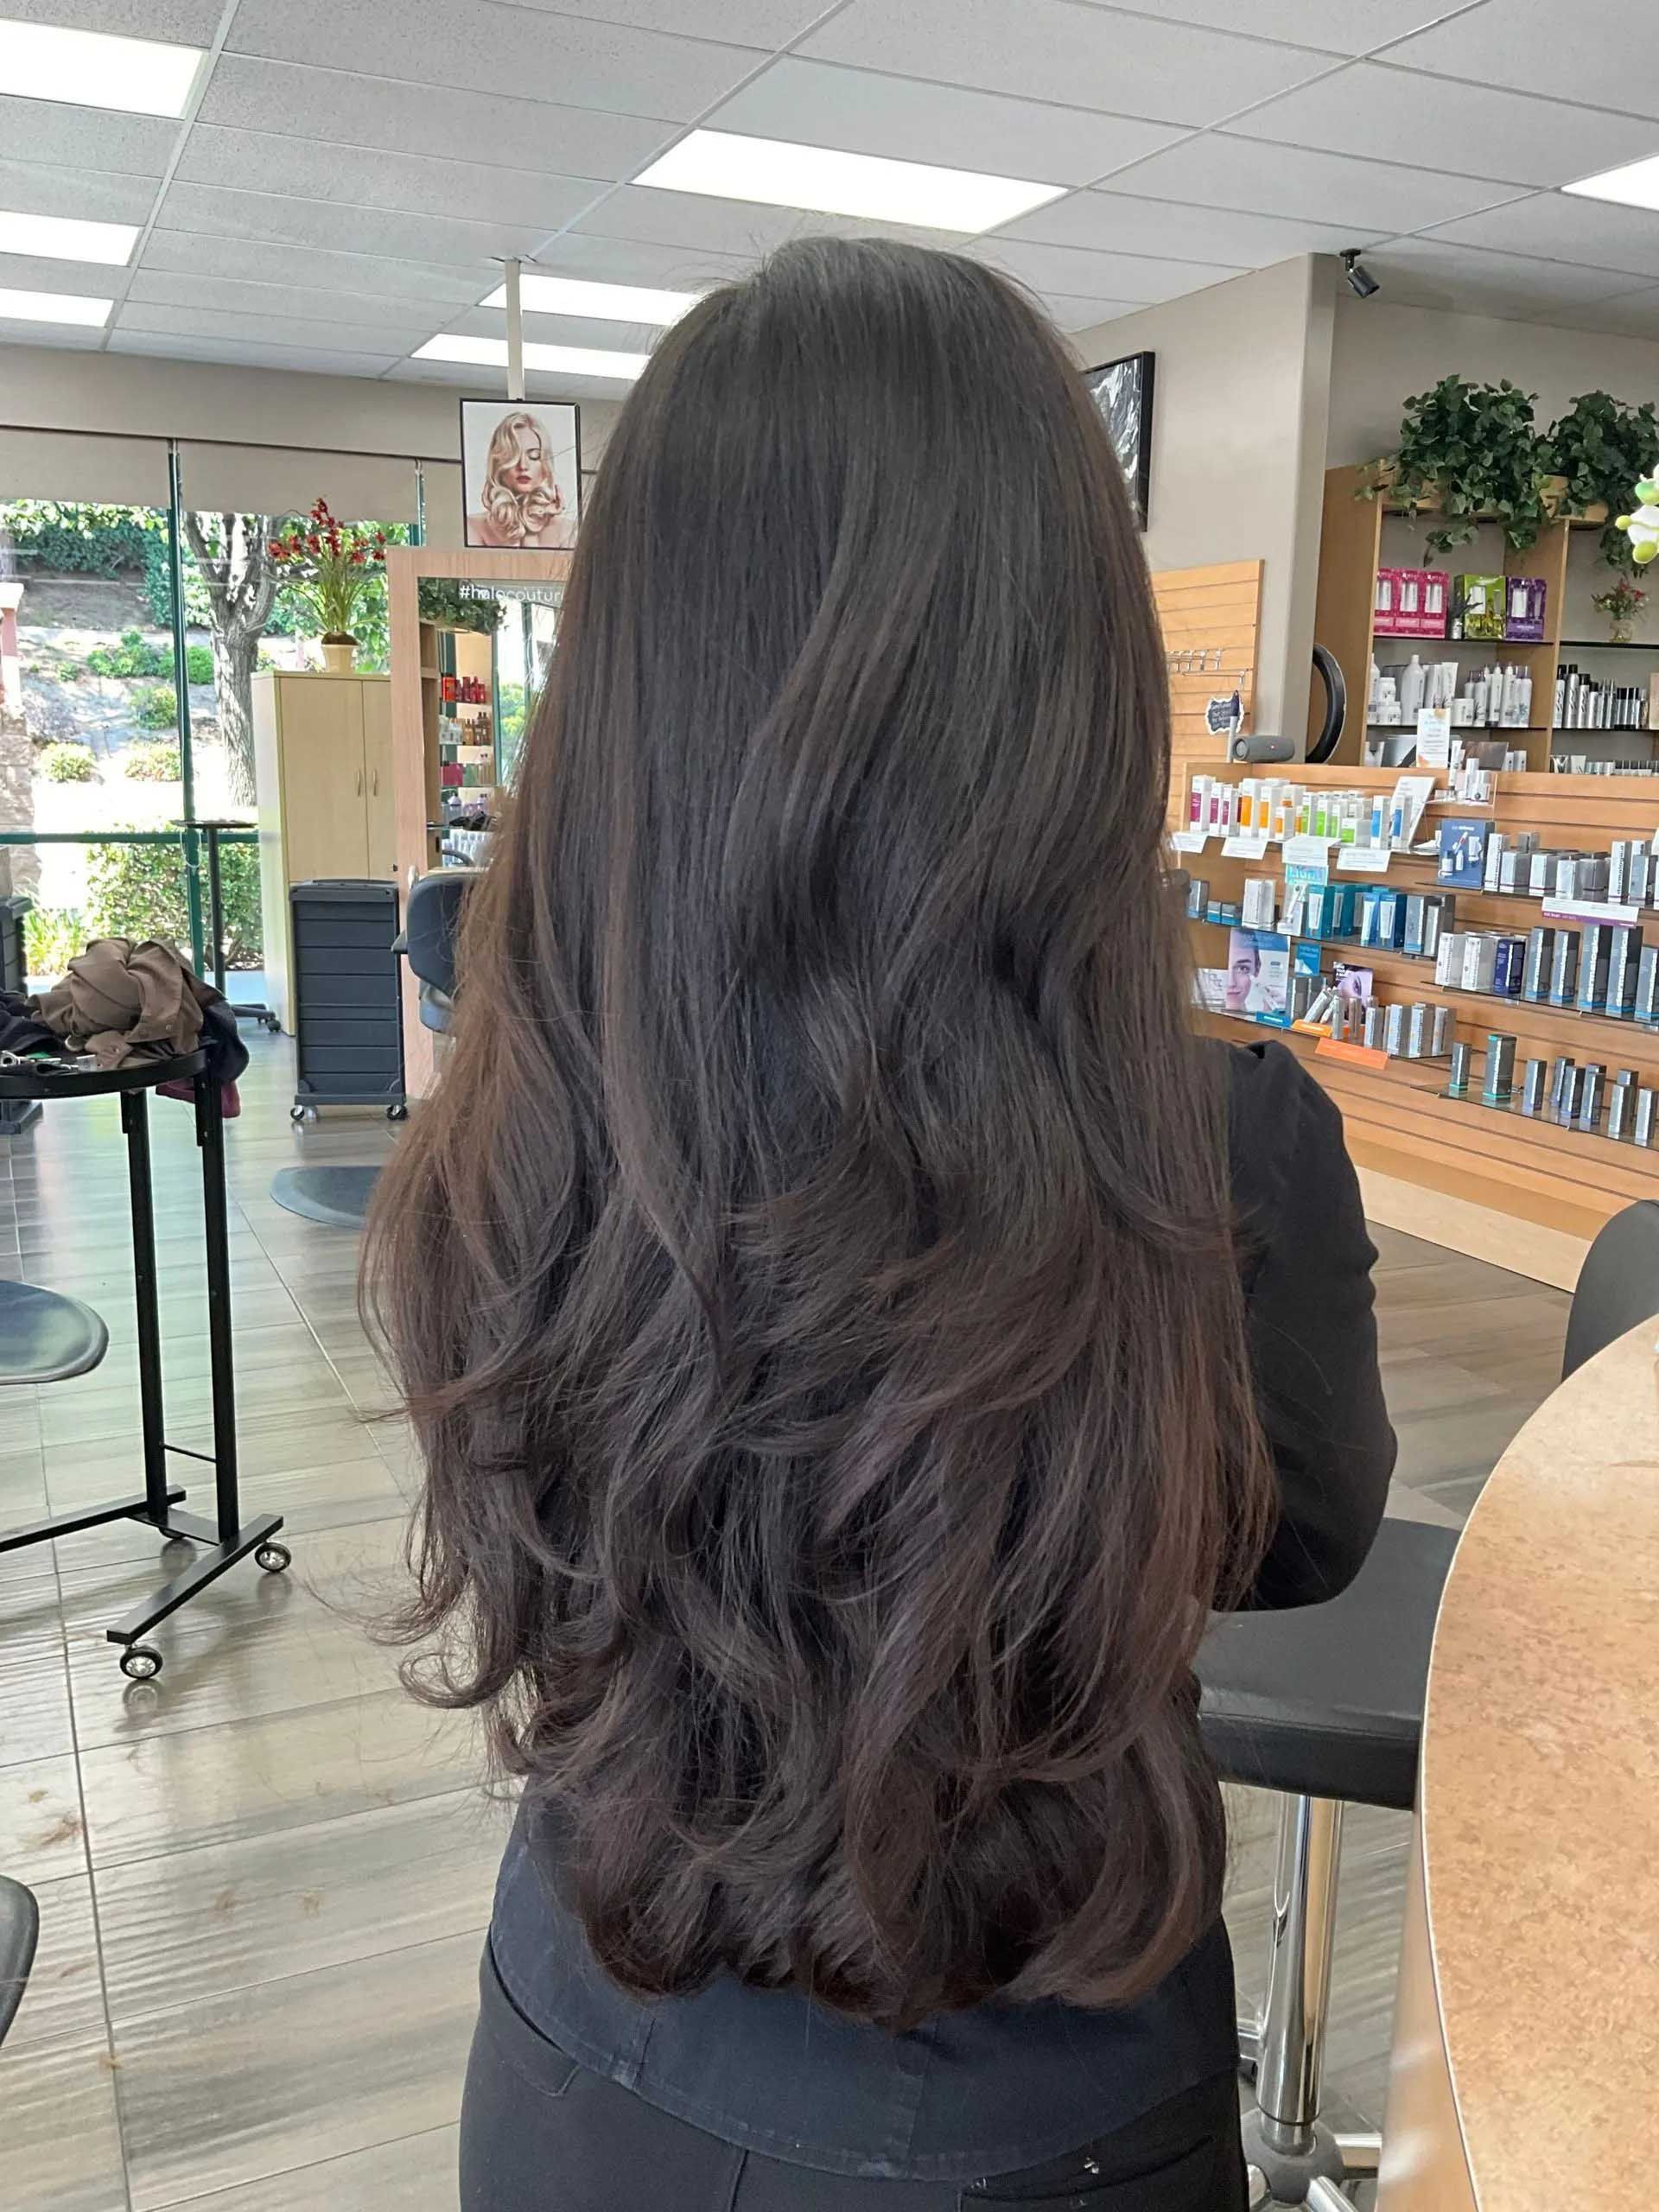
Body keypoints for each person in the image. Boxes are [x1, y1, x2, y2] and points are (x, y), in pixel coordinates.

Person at [365, 237, 1394, 2212]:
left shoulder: (525, 1106)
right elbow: (1302, 1538)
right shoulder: (1212, 1144)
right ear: (1070, 675)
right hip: (1040, 2105)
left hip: (588, 2033)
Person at [467, 407, 575, 549]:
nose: (523, 466)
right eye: (513, 456)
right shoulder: (474, 526)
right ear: (499, 463)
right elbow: (507, 568)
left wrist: (532, 522)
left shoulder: (566, 530)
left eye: (534, 456)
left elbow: (533, 568)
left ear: (545, 463)